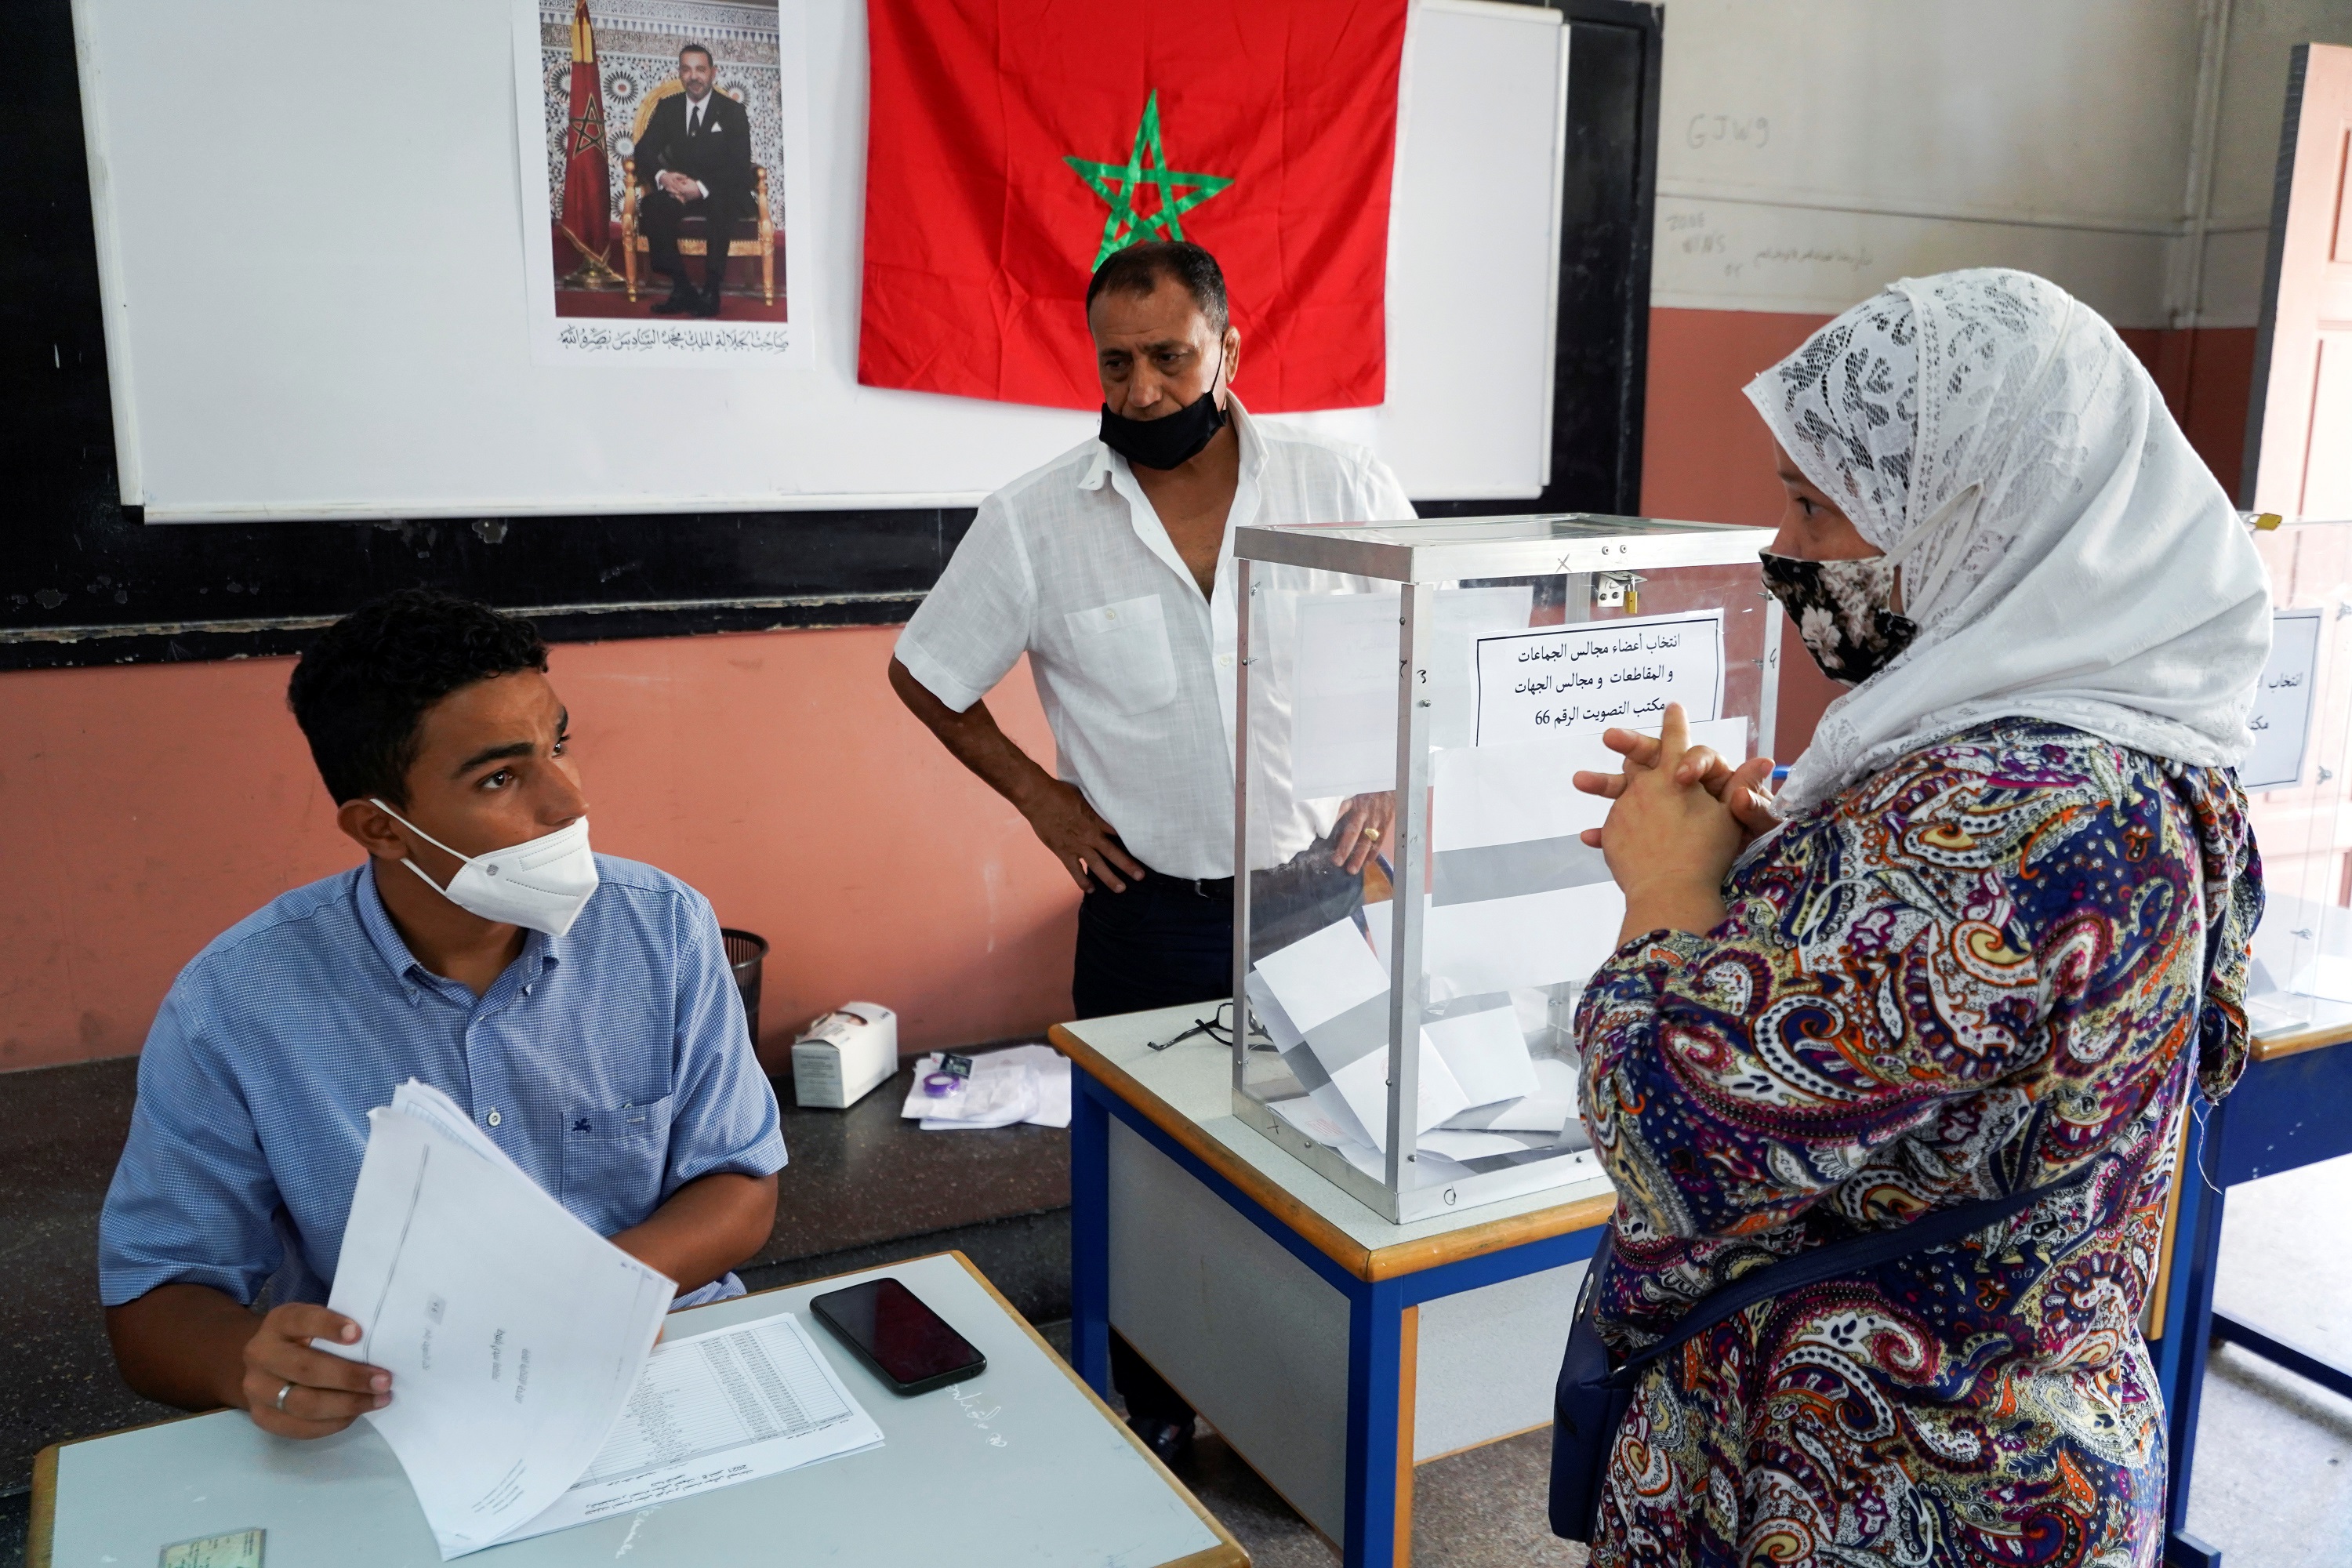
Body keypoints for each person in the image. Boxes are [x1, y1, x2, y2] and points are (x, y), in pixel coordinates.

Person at [1565, 269, 2269, 1565]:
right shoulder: (2130, 754)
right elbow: (1974, 1018)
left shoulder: (1998, 814)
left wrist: (1670, 893)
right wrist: (1805, 875)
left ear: (1973, 515)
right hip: (2025, 1443)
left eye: (1812, 507)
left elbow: (1669, 1131)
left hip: (1875, 1488)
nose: (1785, 550)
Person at [888, 239, 1410, 1461]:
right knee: (1143, 1182)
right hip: (1148, 913)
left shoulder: (1343, 484)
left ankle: (1303, 1406)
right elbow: (925, 673)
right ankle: (1155, 1414)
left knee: (1325, 1159)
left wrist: (1392, 776)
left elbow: (1425, 643)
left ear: (1231, 346)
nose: (1142, 391)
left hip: (1314, 899)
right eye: (1116, 364)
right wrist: (1042, 802)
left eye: (1172, 358)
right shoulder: (1035, 522)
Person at [100, 590, 786, 1440]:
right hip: (397, 1409)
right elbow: (154, 1299)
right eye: (501, 777)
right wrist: (247, 1361)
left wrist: (608, 1289)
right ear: (379, 829)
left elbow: (742, 1182)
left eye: (558, 746)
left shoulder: (664, 927)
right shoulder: (236, 1004)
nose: (567, 803)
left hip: (656, 1361)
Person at [632, 43, 753, 318]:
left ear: (713, 72)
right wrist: (664, 177)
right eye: (686, 70)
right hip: (679, 190)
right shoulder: (669, 108)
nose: (694, 76)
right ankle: (682, 287)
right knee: (653, 206)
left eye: (700, 69)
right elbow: (644, 150)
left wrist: (700, 188)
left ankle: (711, 289)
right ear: (680, 74)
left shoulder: (732, 112)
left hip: (719, 190)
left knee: (722, 204)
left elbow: (739, 165)